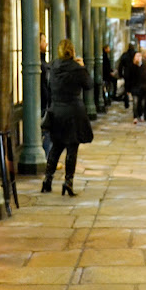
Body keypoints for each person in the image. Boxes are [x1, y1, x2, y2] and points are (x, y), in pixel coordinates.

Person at [41, 39, 94, 197]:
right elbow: (89, 85)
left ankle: (47, 180)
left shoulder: (52, 67)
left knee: (56, 147)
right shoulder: (76, 68)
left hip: (57, 111)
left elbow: (49, 87)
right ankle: (68, 182)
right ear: (72, 51)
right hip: (73, 112)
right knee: (72, 148)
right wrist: (83, 67)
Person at [130, 51, 146, 124]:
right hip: (135, 87)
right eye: (137, 56)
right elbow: (130, 76)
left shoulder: (144, 65)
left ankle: (141, 115)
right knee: (135, 102)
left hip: (144, 86)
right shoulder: (132, 65)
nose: (138, 58)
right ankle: (135, 116)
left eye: (139, 56)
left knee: (142, 102)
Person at [40, 33, 52, 156]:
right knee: (46, 132)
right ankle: (46, 157)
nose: (46, 43)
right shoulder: (41, 64)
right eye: (43, 41)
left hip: (46, 102)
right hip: (42, 103)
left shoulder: (44, 63)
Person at [117, 43, 136, 109]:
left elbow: (120, 65)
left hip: (127, 73)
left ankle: (126, 102)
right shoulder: (135, 54)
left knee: (126, 88)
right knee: (134, 88)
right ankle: (134, 101)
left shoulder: (125, 55)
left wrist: (120, 74)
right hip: (134, 73)